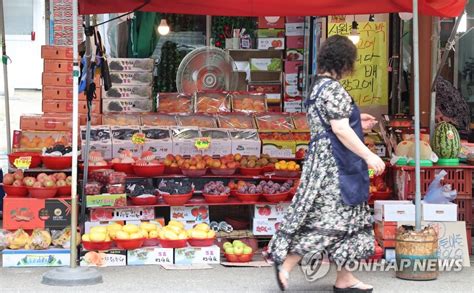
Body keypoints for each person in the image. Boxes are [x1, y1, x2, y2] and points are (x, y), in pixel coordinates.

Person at [268, 35, 386, 292]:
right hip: (336, 165)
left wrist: (359, 119)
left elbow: (334, 123)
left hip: (327, 160)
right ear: (345, 62)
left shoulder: (318, 87)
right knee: (331, 220)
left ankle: (345, 278)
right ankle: (285, 264)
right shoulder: (333, 89)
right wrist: (369, 155)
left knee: (349, 219)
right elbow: (340, 129)